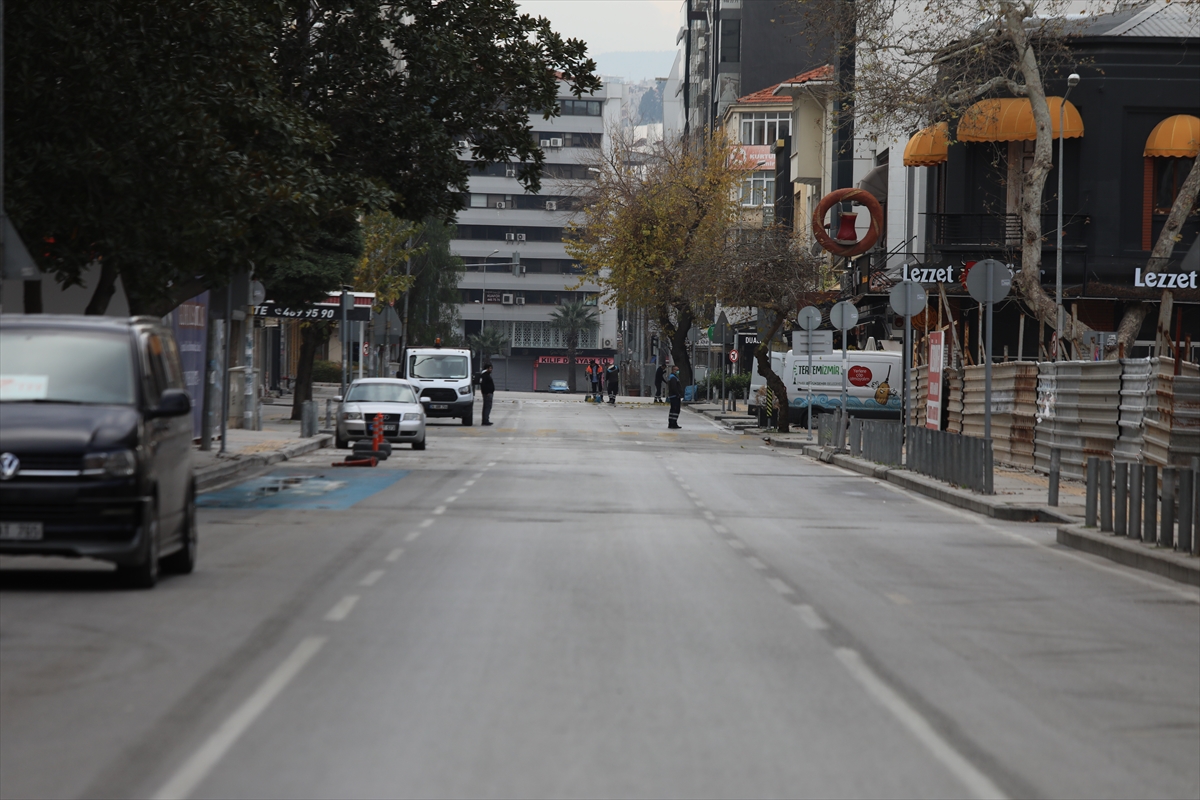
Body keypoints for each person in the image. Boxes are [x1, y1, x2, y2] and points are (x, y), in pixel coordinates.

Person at [667, 364, 682, 429]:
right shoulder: (673, 377)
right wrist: (678, 394)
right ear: (673, 370)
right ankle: (673, 423)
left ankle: (671, 423)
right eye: (677, 370)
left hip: (673, 396)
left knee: (673, 410)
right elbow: (674, 387)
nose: (678, 371)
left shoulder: (672, 377)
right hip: (675, 396)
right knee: (676, 410)